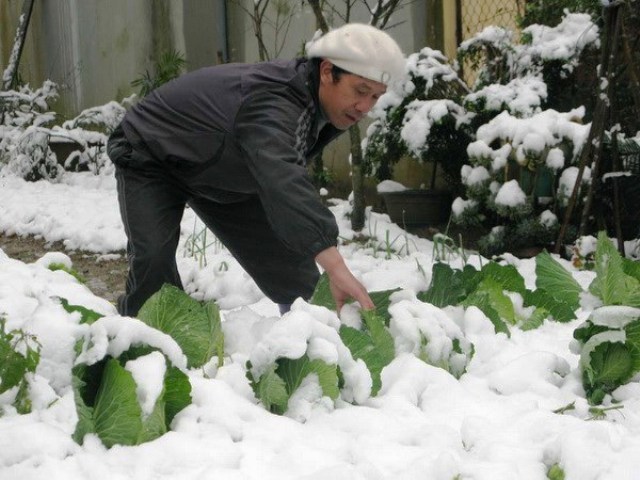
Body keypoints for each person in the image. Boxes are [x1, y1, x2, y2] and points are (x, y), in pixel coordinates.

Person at [106, 23, 405, 317]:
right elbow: (281, 175)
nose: (365, 106)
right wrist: (337, 265)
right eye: (361, 90)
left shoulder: (326, 104)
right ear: (327, 72)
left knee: (298, 279)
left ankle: (315, 341)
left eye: (375, 97)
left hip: (224, 169)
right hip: (152, 153)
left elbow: (277, 173)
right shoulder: (276, 101)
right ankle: (137, 345)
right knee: (153, 266)